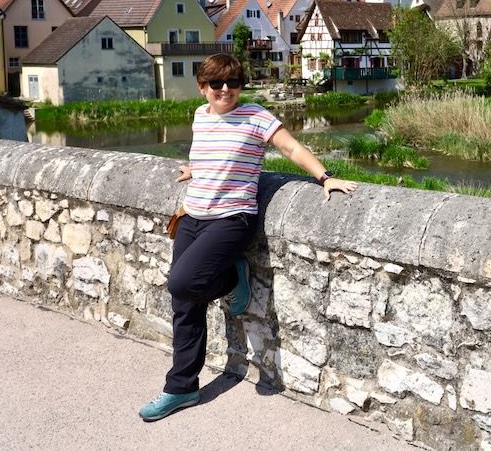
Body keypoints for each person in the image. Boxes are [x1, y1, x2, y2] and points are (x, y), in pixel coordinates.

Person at [139, 53, 357, 421]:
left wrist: (325, 177)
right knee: (184, 305)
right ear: (202, 87)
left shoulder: (255, 116)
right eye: (216, 83)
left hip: (231, 219)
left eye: (233, 82)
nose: (226, 89)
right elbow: (215, 152)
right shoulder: (199, 116)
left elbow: (290, 148)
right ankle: (181, 388)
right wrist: (197, 168)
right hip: (193, 214)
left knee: (181, 283)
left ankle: (230, 276)